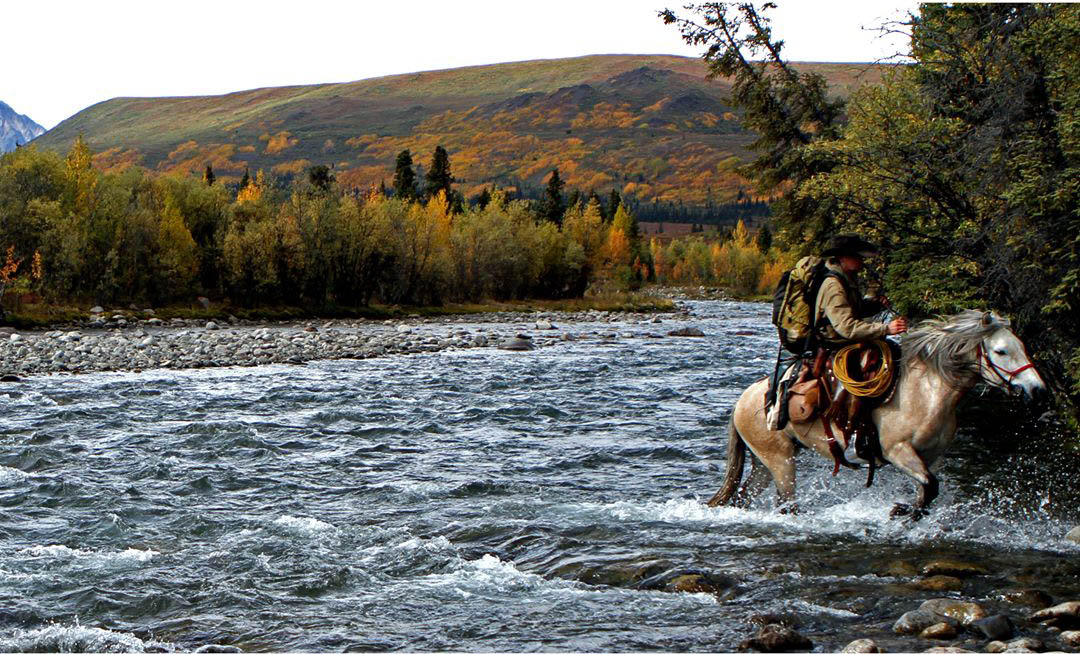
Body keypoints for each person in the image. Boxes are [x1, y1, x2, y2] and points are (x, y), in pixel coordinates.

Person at [814, 234, 907, 346]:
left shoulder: (846, 279)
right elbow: (846, 327)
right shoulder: (834, 285)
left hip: (844, 339)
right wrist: (886, 328)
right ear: (842, 258)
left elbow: (853, 308)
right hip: (835, 342)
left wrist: (876, 305)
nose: (861, 260)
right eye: (856, 256)